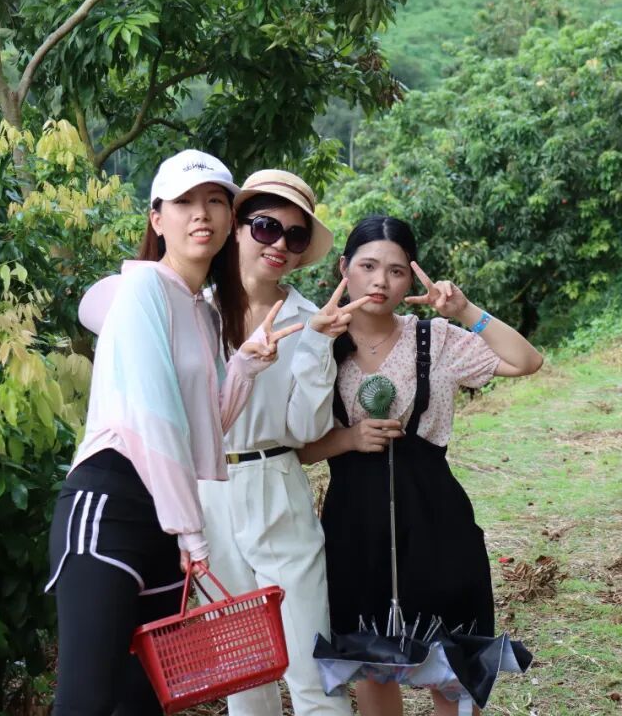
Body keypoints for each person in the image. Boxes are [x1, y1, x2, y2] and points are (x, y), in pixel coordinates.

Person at [45, 150, 301, 716]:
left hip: (161, 519)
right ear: (157, 219)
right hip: (108, 505)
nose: (201, 213)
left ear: (230, 221)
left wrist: (243, 367)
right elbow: (155, 420)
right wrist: (193, 532)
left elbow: (201, 428)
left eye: (215, 201)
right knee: (86, 701)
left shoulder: (203, 312)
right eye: (184, 202)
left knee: (142, 701)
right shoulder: (142, 290)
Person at [299, 216, 544, 716]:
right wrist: (348, 438)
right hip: (354, 525)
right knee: (369, 660)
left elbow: (526, 361)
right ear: (344, 268)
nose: (380, 282)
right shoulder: (320, 342)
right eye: (368, 267)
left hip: (437, 519)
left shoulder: (435, 339)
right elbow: (294, 446)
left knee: (453, 662)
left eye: (395, 271)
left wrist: (465, 310)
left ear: (411, 277)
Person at [197, 170, 369, 716]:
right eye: (267, 227)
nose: (279, 245)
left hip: (276, 480)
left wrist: (317, 343)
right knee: (244, 673)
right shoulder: (194, 309)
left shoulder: (309, 319)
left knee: (311, 668)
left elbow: (302, 432)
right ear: (237, 228)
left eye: (295, 236)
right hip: (208, 491)